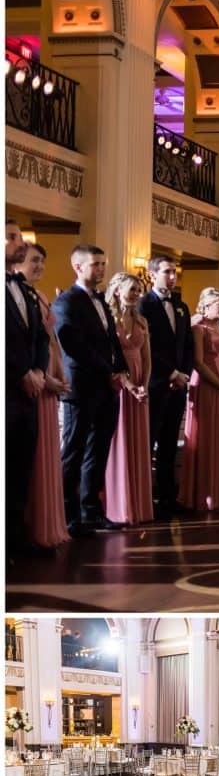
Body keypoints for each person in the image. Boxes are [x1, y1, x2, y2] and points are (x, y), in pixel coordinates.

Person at [52, 244, 130, 536]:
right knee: (73, 450)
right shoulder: (66, 302)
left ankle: (91, 512)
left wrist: (120, 368)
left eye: (102, 263)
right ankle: (68, 514)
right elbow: (74, 346)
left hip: (106, 387)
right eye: (95, 264)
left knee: (98, 450)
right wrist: (108, 371)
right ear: (78, 267)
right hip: (82, 386)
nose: (101, 269)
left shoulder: (101, 300)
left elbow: (111, 340)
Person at [16, 243, 70, 551]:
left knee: (46, 451)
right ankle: (27, 528)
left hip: (48, 379)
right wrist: (44, 378)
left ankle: (44, 525)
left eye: (42, 261)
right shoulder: (15, 296)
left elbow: (51, 341)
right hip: (32, 383)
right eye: (34, 260)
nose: (40, 266)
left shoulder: (40, 297)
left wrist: (61, 376)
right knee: (31, 457)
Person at [178, 287, 219, 511]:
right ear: (206, 305)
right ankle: (210, 493)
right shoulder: (199, 329)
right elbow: (198, 362)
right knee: (212, 439)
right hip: (210, 389)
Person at [6, 220, 50, 555]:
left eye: (19, 237)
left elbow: (40, 336)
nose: (20, 243)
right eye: (10, 238)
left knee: (21, 467)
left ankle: (16, 540)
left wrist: (37, 369)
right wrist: (21, 371)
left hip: (27, 393)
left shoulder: (24, 290)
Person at [140, 256, 192, 519]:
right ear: (151, 274)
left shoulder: (181, 306)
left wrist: (183, 374)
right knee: (149, 443)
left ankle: (168, 499)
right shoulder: (143, 305)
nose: (172, 276)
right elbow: (146, 347)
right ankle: (146, 498)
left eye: (175, 272)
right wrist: (170, 373)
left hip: (178, 385)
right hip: (156, 384)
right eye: (167, 272)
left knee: (171, 444)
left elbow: (187, 346)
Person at [103, 272, 153, 525]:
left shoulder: (142, 321)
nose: (136, 293)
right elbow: (109, 356)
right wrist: (129, 384)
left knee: (136, 441)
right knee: (117, 438)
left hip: (139, 386)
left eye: (138, 289)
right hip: (116, 382)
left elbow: (146, 358)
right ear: (117, 290)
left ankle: (138, 504)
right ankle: (116, 505)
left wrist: (143, 386)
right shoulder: (108, 319)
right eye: (132, 289)